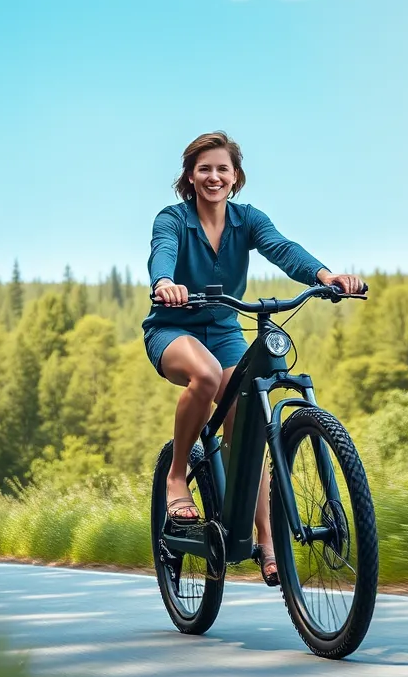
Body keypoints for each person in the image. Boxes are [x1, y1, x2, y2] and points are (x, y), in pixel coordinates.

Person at [143, 131, 364, 586]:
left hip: (226, 329)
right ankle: (178, 477)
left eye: (223, 169)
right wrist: (166, 282)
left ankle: (266, 539)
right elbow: (161, 253)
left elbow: (282, 248)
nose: (214, 176)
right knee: (204, 377)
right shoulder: (173, 219)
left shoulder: (247, 221)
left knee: (248, 422)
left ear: (236, 177)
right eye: (204, 168)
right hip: (174, 326)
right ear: (190, 175)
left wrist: (327, 276)